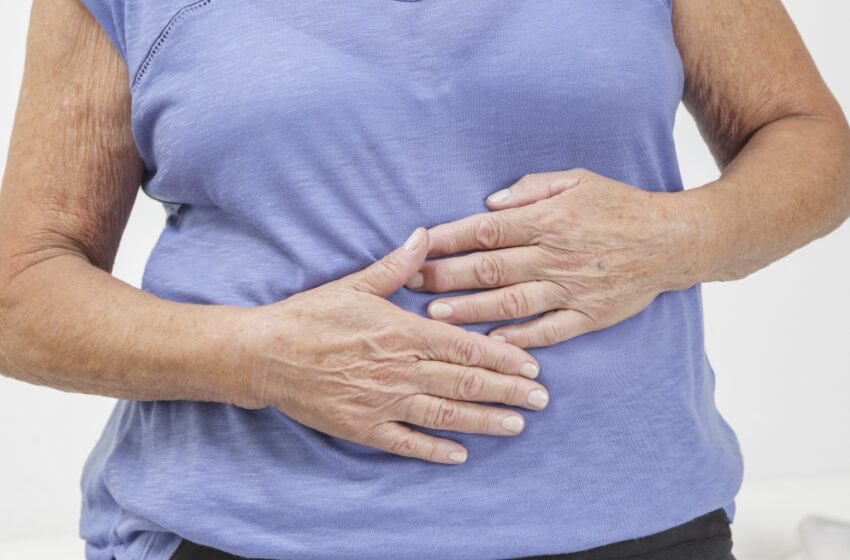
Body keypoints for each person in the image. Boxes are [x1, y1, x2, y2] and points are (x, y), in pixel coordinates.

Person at [0, 0, 848, 559]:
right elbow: (21, 292)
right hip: (250, 537)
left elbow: (811, 138)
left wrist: (682, 236)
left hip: (643, 528)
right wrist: (260, 356)